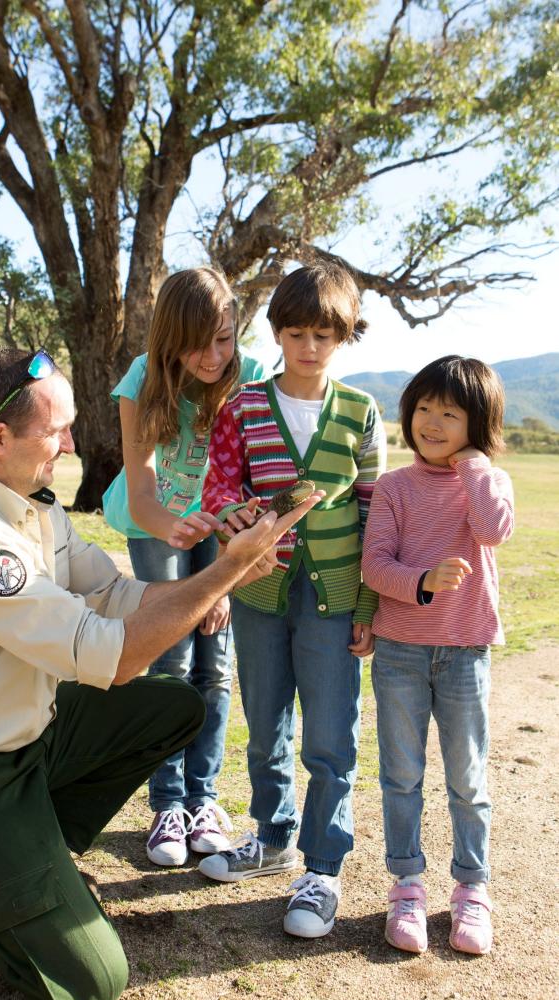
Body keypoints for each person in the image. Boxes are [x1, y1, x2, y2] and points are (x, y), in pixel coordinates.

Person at [0, 346, 319, 1000]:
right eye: (55, 430)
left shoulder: (35, 507)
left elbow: (114, 592)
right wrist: (224, 575)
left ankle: (36, 859)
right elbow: (110, 656)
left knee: (174, 705)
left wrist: (216, 572)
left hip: (26, 743)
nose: (72, 443)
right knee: (95, 982)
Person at [198, 261, 386, 939]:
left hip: (335, 597)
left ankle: (323, 866)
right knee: (265, 719)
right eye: (298, 331)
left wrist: (368, 607)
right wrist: (240, 516)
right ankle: (272, 838)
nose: (310, 346)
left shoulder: (361, 412)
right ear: (276, 332)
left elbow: (376, 516)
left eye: (325, 334)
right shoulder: (244, 405)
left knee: (331, 735)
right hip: (258, 589)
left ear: (345, 337)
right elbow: (218, 487)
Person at [102, 267, 270, 867]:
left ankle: (204, 800)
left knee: (215, 659)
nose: (214, 355)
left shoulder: (250, 377)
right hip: (157, 522)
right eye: (199, 343)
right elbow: (144, 489)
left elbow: (254, 479)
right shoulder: (143, 380)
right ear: (170, 337)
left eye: (224, 338)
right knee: (168, 653)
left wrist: (223, 571)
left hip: (225, 522)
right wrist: (171, 527)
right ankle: (167, 803)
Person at [361, 355, 514, 956]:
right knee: (401, 775)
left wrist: (474, 465)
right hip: (399, 650)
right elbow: (377, 566)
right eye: (423, 408)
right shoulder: (395, 486)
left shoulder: (488, 480)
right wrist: (422, 580)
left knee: (467, 779)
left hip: (465, 653)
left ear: (478, 422)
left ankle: (471, 890)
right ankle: (407, 887)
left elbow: (494, 530)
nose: (431, 421)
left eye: (450, 413)